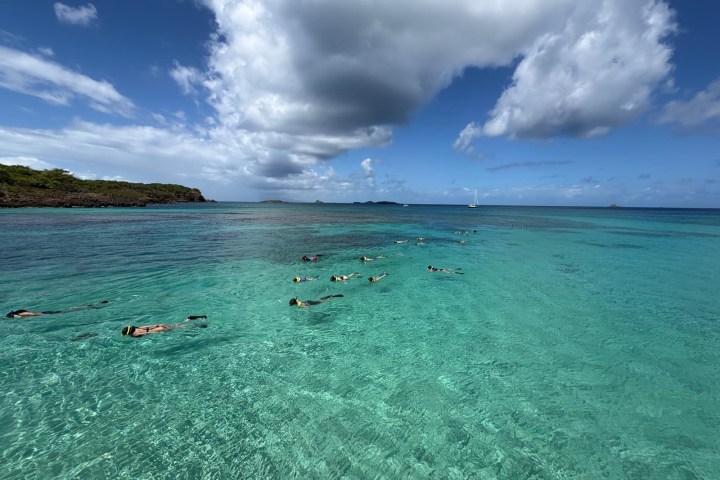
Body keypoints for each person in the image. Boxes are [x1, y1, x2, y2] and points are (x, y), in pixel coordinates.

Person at [121, 315, 207, 337]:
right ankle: (188, 319)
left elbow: (149, 333)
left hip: (157, 330)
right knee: (176, 326)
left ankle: (197, 325)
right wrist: (159, 325)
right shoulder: (138, 327)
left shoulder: (135, 334)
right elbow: (150, 326)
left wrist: (159, 332)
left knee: (179, 327)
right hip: (158, 326)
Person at [6, 300, 109, 319]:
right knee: (69, 310)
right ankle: (89, 306)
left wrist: (12, 315)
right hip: (47, 313)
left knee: (69, 311)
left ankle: (88, 307)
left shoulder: (24, 313)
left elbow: (18, 315)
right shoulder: (25, 312)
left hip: (48, 314)